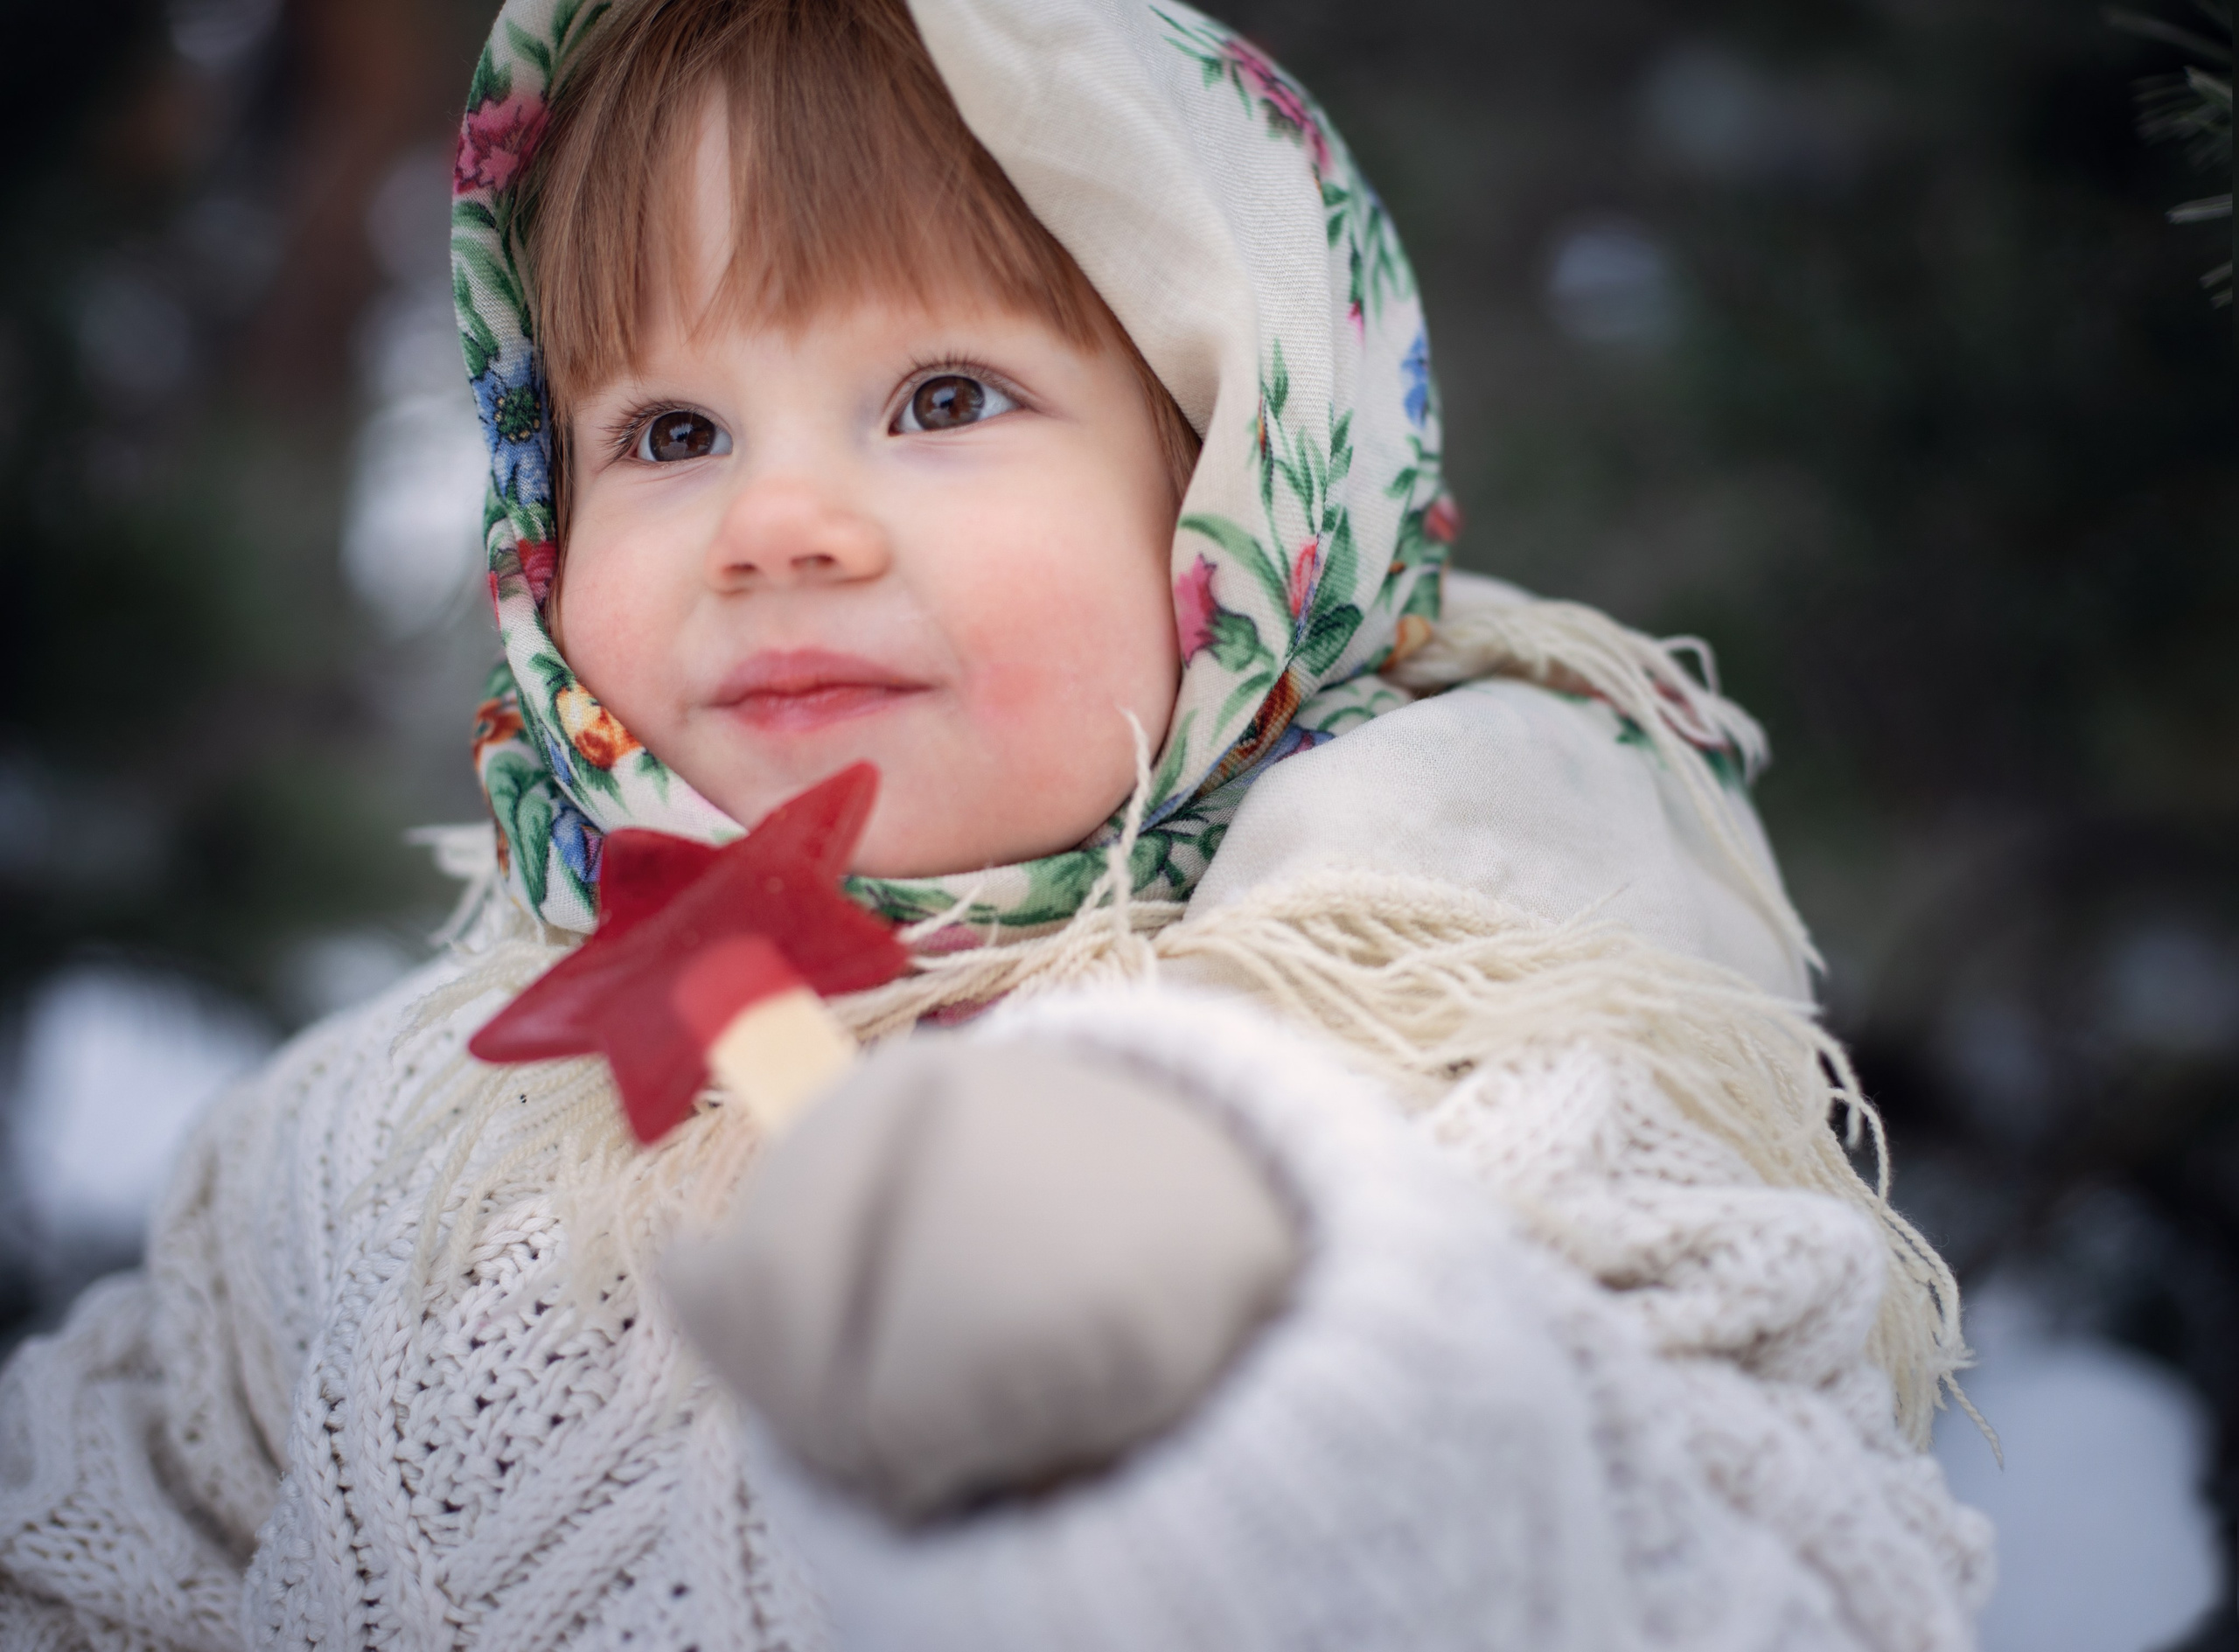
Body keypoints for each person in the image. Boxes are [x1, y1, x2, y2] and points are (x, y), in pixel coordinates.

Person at [0, 1, 1997, 1647]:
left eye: (943, 397)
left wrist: (1282, 1348)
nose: (780, 525)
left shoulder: (1483, 1029)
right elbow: (83, 1548)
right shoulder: (388, 1140)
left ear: (1238, 484)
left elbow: (1795, 1575)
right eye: (669, 435)